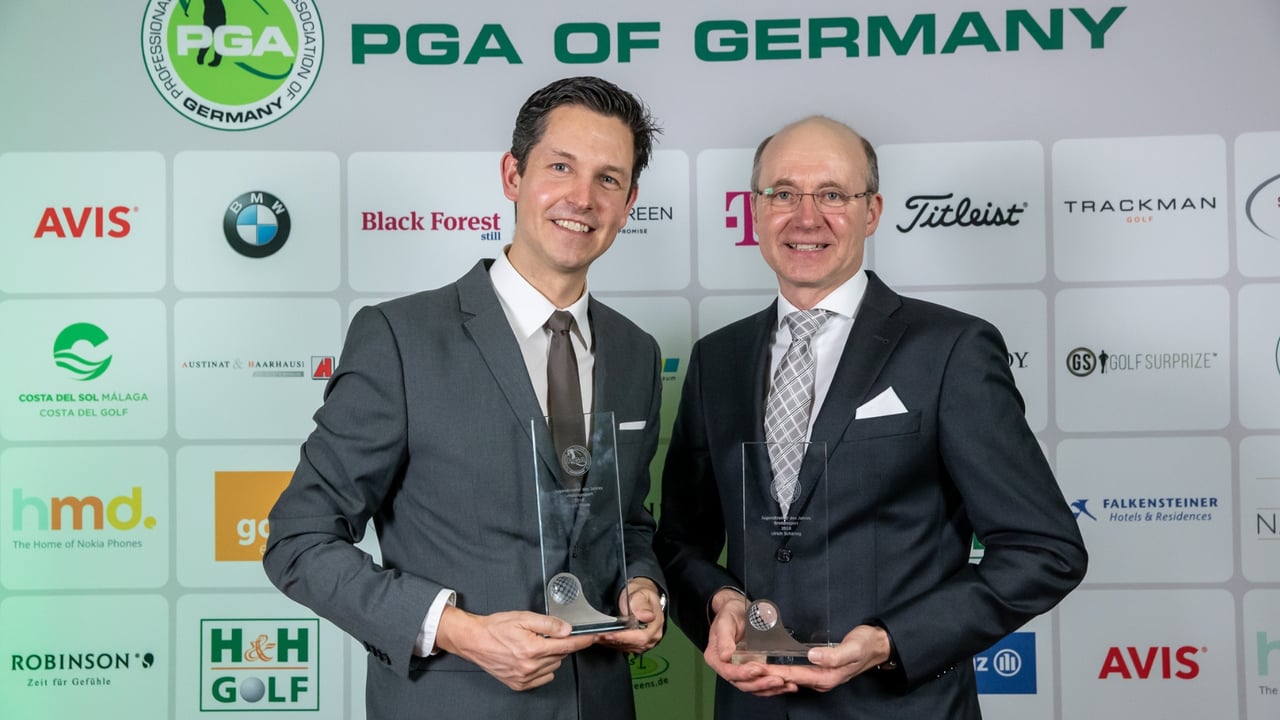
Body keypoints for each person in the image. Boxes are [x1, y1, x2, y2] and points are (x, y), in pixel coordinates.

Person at [653, 116, 1087, 719]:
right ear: (755, 211)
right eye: (784, 193)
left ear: (872, 211)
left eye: (832, 194)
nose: (806, 218)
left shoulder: (949, 350)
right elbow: (679, 540)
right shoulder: (716, 360)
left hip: (900, 706)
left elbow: (1046, 550)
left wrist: (889, 642)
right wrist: (719, 601)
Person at [263, 76, 667, 720]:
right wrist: (459, 630)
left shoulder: (638, 352)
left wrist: (643, 585)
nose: (582, 198)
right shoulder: (400, 338)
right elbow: (299, 541)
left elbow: (628, 525)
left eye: (608, 179)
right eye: (560, 166)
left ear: (628, 203)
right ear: (513, 174)